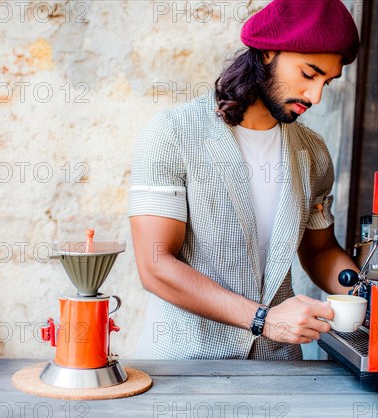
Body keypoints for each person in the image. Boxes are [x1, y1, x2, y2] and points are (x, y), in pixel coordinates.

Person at [127, 0, 361, 360]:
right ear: (267, 52)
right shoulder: (172, 133)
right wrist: (263, 320)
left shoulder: (314, 153)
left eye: (327, 82)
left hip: (278, 370)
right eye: (309, 74)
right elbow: (156, 266)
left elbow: (320, 251)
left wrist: (365, 295)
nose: (316, 96)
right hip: (186, 366)